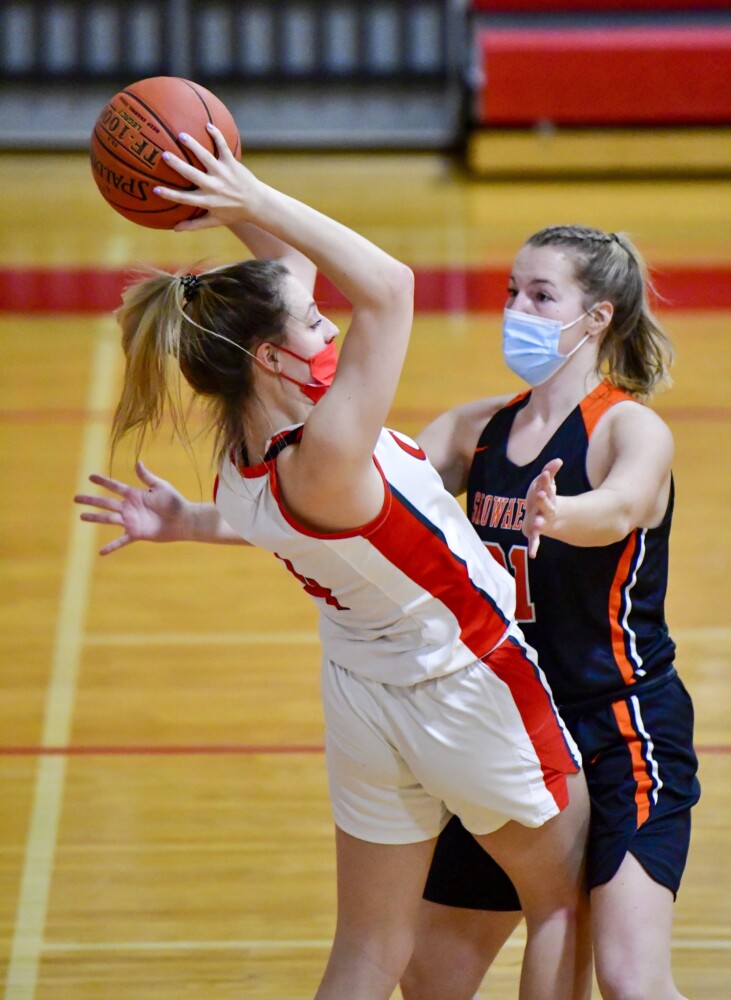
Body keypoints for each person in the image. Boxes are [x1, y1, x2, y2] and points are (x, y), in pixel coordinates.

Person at [75, 126, 591, 1000]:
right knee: (562, 902)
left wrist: (186, 522)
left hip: (360, 697)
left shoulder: (243, 464)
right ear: (273, 358)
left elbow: (287, 285)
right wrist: (253, 199)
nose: (329, 322)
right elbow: (391, 288)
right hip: (464, 678)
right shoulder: (332, 446)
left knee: (366, 954)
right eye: (314, 324)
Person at [400, 225, 701, 1000]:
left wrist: (561, 516)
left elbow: (623, 505)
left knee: (630, 979)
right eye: (511, 292)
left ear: (596, 317)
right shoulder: (477, 431)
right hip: (512, 731)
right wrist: (205, 518)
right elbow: (365, 494)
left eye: (540, 296)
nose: (516, 310)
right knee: (428, 974)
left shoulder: (628, 428)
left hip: (620, 729)